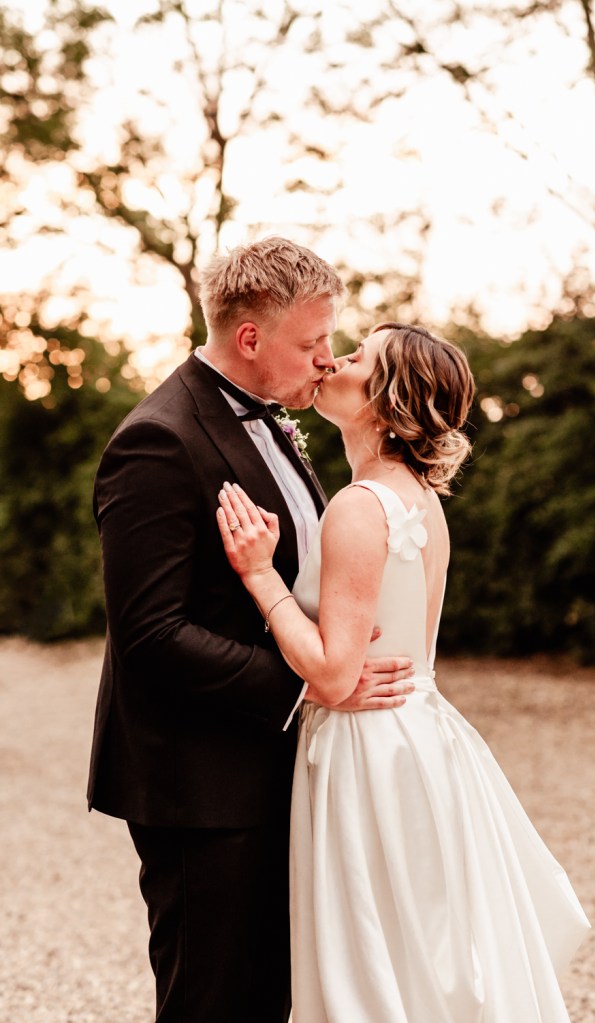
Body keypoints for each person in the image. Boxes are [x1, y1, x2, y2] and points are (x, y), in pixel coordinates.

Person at [217, 321, 591, 1023]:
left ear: (388, 399)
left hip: (369, 752)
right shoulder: (418, 499)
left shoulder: (360, 507)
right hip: (419, 738)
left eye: (358, 356)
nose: (335, 360)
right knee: (419, 952)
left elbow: (333, 675)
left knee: (373, 963)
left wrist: (260, 574)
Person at [86, 238, 415, 1023]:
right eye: (311, 342)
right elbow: (150, 633)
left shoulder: (277, 421)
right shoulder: (159, 440)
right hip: (200, 784)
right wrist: (311, 686)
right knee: (211, 1002)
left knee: (267, 995)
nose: (326, 359)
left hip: (272, 765)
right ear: (249, 338)